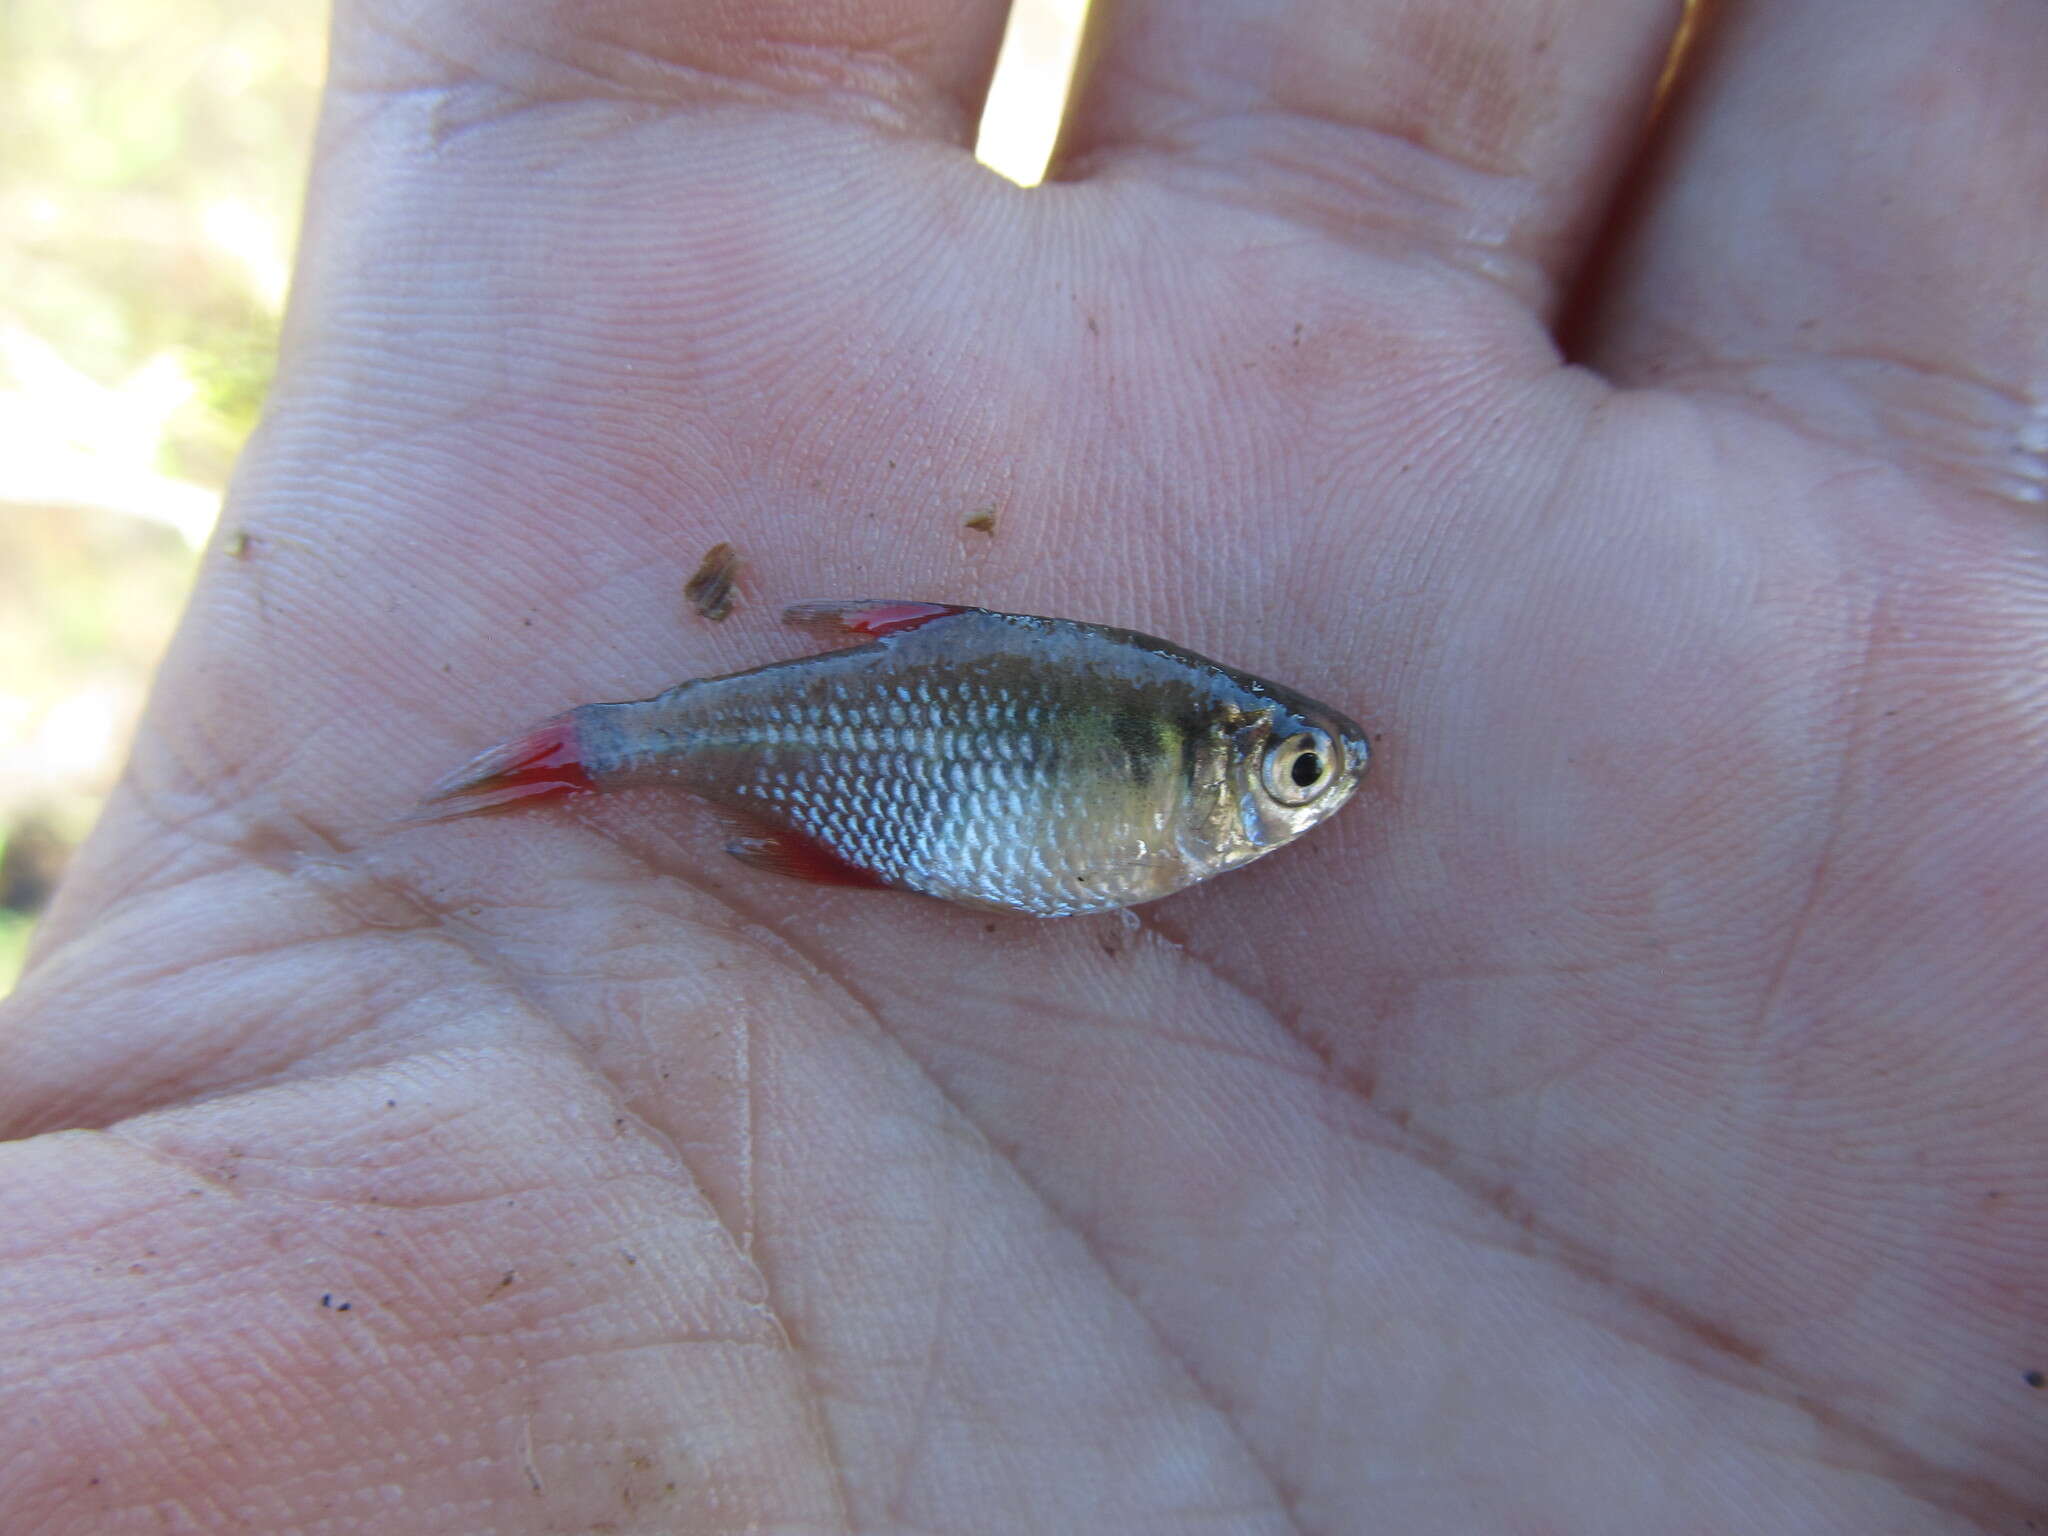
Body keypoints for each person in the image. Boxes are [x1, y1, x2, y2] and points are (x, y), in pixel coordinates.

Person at [5, 0, 2044, 1529]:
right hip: (884, 771)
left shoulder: (1162, 765)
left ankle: (596, 756)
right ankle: (594, 756)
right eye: (1294, 777)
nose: (1304, 797)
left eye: (1297, 778)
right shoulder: (1162, 771)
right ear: (1216, 766)